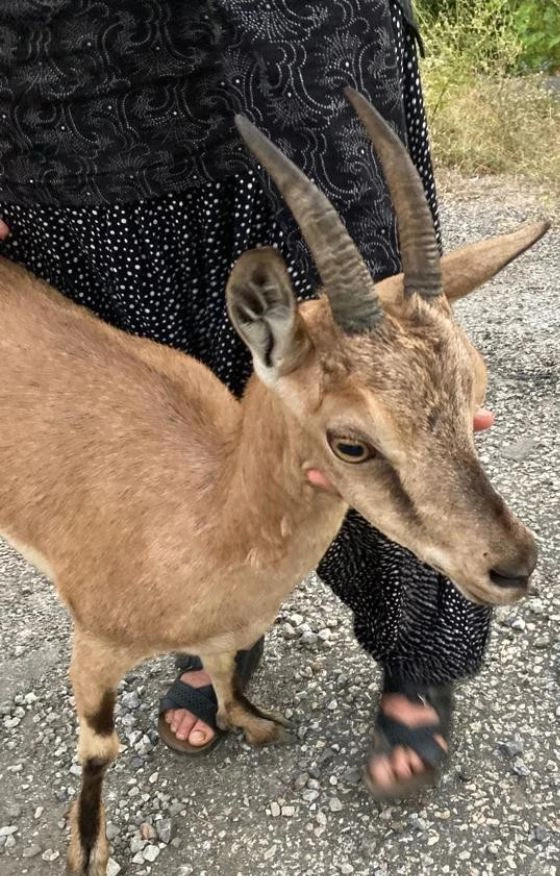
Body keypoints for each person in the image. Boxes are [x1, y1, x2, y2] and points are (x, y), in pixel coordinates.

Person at [0, 0, 493, 797]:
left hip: (292, 77)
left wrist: (409, 350)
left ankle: (418, 648)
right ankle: (217, 627)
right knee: (167, 443)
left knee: (373, 425)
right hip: (63, 130)